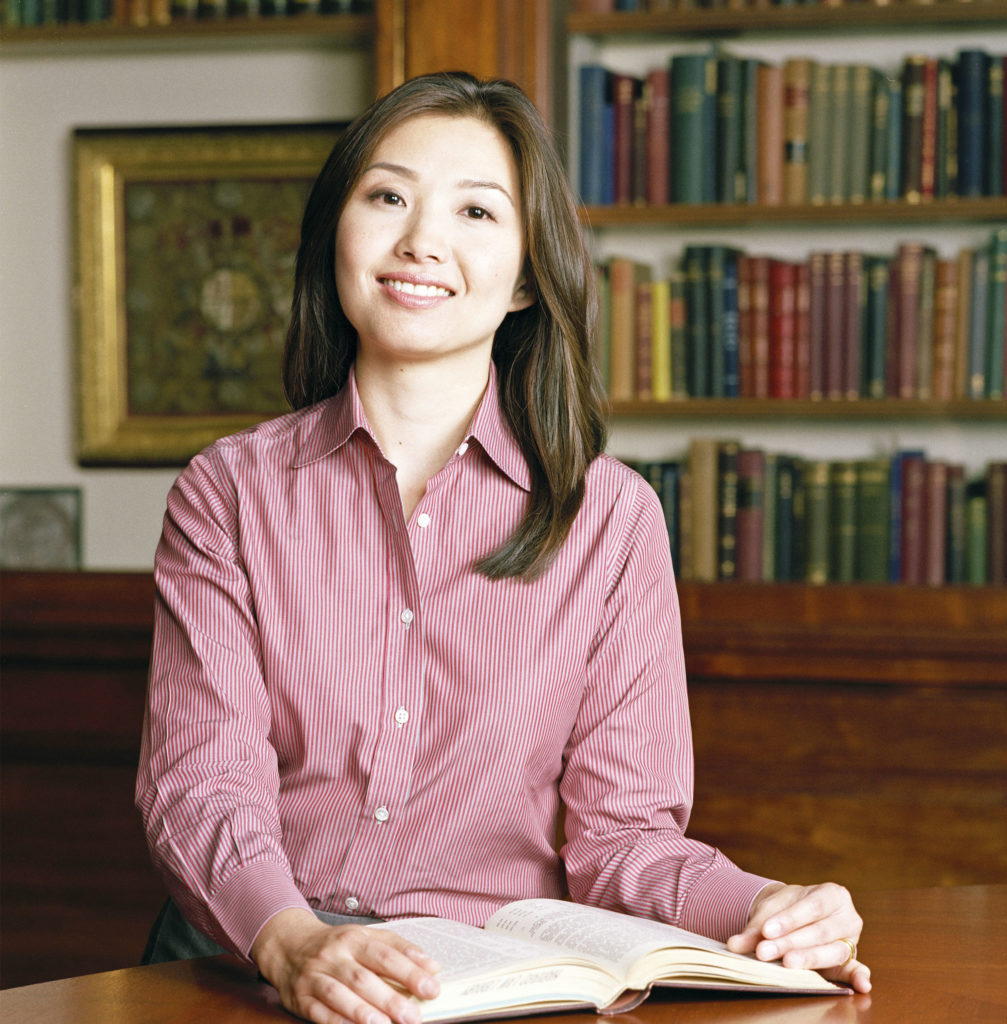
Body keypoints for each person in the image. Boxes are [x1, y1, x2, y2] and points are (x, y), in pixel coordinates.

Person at [136, 70, 870, 1024]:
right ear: (337, 236)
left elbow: (625, 841)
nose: (421, 241)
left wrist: (772, 907)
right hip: (243, 970)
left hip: (482, 990)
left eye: (477, 212)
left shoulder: (610, 522)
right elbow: (201, 784)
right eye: (387, 196)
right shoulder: (228, 492)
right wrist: (294, 940)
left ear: (528, 275)